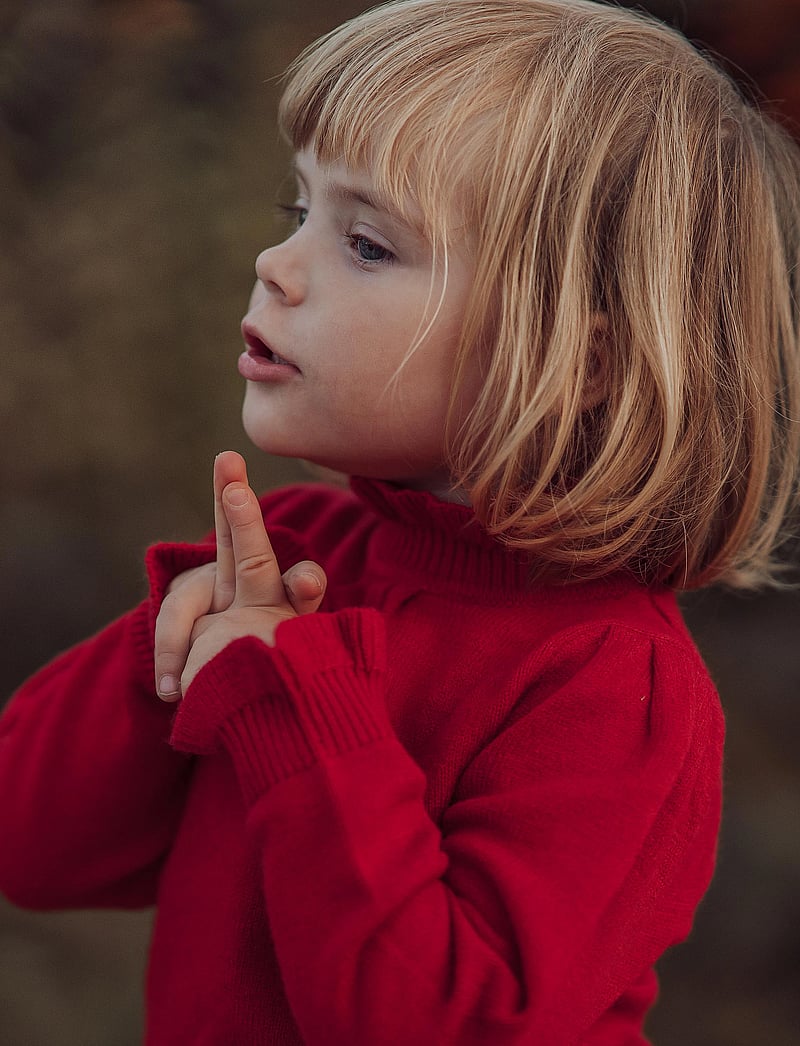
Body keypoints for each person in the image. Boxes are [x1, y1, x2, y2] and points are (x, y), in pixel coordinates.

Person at [1, 0, 799, 1042]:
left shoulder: (607, 682)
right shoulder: (288, 563)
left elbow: (435, 1021)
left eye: (366, 243)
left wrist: (291, 707)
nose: (275, 265)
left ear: (579, 359)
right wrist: (175, 657)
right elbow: (31, 844)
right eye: (296, 213)